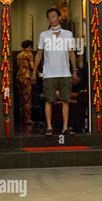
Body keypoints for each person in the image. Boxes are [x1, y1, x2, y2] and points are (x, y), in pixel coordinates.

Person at [32, 8, 78, 136]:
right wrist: (34, 70)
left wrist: (74, 70)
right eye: (49, 17)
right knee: (49, 100)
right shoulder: (43, 35)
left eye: (53, 16)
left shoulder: (68, 34)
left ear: (59, 17)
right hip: (49, 73)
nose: (52, 19)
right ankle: (49, 127)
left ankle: (65, 127)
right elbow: (39, 54)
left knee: (65, 100)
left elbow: (71, 53)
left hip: (65, 73)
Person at [16, 40, 34, 125]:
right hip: (27, 77)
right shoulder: (29, 54)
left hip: (19, 77)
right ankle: (27, 119)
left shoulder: (19, 55)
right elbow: (32, 66)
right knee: (27, 98)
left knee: (21, 98)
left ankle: (21, 117)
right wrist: (38, 73)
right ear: (29, 46)